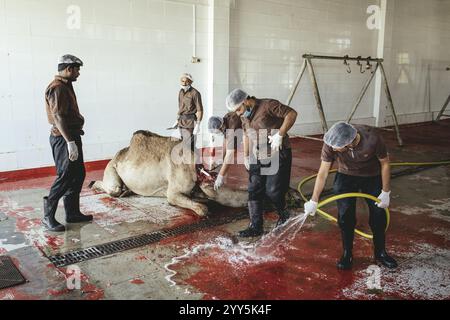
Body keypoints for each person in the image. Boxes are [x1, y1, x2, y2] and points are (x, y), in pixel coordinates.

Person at [303, 121, 398, 269]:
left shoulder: (372, 138)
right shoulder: (331, 141)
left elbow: (385, 164)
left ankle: (381, 253)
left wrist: (386, 192)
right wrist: (314, 199)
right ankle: (347, 253)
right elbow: (322, 173)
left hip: (371, 176)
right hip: (346, 176)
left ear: (349, 143)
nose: (332, 148)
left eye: (336, 147)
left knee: (379, 215)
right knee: (345, 216)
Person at [226, 89, 298, 237]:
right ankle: (255, 226)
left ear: (245, 101)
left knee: (273, 191)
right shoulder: (244, 116)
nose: (238, 113)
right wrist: (246, 156)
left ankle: (284, 213)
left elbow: (291, 114)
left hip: (279, 151)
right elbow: (246, 134)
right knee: (254, 189)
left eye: (239, 109)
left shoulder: (268, 105)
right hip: (259, 153)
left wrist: (280, 134)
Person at [43, 54, 93, 232]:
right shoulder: (58, 88)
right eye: (77, 69)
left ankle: (72, 213)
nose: (78, 73)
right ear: (69, 69)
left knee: (78, 173)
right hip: (64, 139)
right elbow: (58, 117)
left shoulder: (66, 86)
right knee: (65, 176)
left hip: (71, 136)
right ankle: (47, 217)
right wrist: (70, 142)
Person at [207, 112, 243, 191]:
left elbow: (230, 154)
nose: (219, 133)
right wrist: (221, 158)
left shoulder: (232, 129)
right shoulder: (225, 119)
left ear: (221, 126)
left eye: (218, 131)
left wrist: (220, 176)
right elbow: (225, 140)